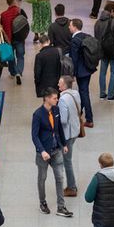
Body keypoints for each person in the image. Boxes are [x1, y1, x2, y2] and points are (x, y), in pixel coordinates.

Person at [31, 88, 73, 217]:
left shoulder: (56, 110)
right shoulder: (38, 115)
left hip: (56, 151)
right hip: (43, 154)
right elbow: (34, 136)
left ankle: (61, 206)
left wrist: (64, 144)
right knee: (42, 178)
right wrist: (42, 151)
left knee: (60, 178)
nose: (57, 100)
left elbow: (59, 128)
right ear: (47, 98)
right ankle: (42, 202)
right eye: (55, 98)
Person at [94, 5, 114, 102]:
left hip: (102, 51)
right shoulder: (113, 22)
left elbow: (96, 37)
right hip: (113, 51)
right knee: (113, 72)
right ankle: (111, 95)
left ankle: (102, 93)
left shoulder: (97, 23)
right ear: (111, 11)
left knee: (102, 72)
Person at [57, 76, 82, 196]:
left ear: (65, 85)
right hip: (75, 130)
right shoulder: (75, 93)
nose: (58, 84)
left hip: (67, 134)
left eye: (60, 83)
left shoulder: (62, 99)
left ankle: (72, 187)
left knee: (67, 161)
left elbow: (63, 120)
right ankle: (71, 186)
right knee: (67, 159)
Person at [69, 18, 96, 127]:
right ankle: (80, 112)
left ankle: (89, 119)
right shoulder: (86, 36)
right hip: (88, 69)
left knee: (84, 93)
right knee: (83, 91)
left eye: (70, 26)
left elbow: (74, 59)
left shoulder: (75, 40)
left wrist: (73, 74)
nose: (69, 27)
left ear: (75, 27)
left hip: (80, 71)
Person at [0, 0, 29, 85]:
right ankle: (18, 72)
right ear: (14, 1)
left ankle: (13, 72)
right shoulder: (20, 11)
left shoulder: (3, 15)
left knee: (11, 57)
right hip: (19, 38)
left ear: (7, 3)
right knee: (20, 56)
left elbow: (2, 26)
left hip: (9, 39)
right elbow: (25, 22)